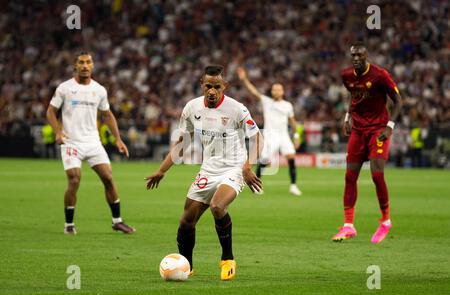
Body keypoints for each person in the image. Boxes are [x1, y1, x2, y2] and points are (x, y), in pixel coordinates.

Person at [145, 65, 263, 280]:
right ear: (201, 85)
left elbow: (257, 137)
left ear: (224, 86)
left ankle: (228, 259)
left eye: (217, 86)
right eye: (208, 86)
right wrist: (162, 170)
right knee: (186, 222)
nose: (212, 90)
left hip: (234, 168)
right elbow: (182, 143)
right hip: (208, 170)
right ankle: (185, 266)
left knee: (218, 206)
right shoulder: (191, 108)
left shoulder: (237, 109)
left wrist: (247, 166)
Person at [46, 52, 135, 235]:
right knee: (74, 179)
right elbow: (50, 112)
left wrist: (118, 138)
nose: (85, 65)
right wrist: (58, 132)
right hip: (71, 142)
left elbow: (107, 115)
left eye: (88, 62)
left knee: (108, 178)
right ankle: (69, 224)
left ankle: (117, 221)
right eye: (81, 62)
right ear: (75, 65)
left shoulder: (99, 90)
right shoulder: (65, 88)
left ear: (93, 65)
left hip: (93, 142)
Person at [332, 42, 402, 244]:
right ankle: (348, 225)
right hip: (358, 130)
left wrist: (389, 126)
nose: (355, 58)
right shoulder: (347, 76)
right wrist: (347, 118)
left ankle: (385, 220)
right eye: (353, 55)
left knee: (377, 174)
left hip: (378, 130)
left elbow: (398, 101)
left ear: (366, 56)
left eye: (359, 55)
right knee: (349, 176)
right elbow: (353, 97)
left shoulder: (380, 75)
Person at [237, 67, 302, 196]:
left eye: (278, 89)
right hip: (270, 135)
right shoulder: (267, 102)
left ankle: (293, 186)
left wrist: (296, 136)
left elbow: (293, 122)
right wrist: (244, 79)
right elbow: (253, 91)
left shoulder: (288, 105)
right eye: (274, 89)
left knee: (291, 158)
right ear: (272, 91)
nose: (276, 91)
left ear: (283, 92)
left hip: (284, 135)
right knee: (264, 160)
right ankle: (257, 185)